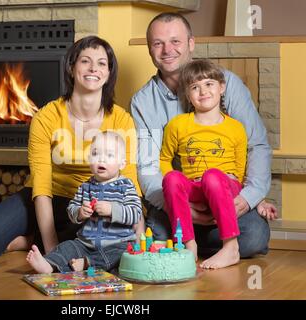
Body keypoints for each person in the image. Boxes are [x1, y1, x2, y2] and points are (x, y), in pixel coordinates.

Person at [0, 35, 142, 258]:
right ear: (71, 67)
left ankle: (29, 240)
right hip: (45, 196)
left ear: (109, 74)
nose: (93, 68)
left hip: (94, 201)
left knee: (95, 249)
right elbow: (41, 186)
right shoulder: (46, 116)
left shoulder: (121, 119)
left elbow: (130, 182)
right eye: (85, 61)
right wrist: (51, 251)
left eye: (101, 63)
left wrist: (138, 242)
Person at [130, 12, 277, 260]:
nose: (167, 50)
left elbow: (256, 146)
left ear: (191, 43)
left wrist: (247, 198)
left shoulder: (226, 83)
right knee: (157, 232)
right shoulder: (143, 102)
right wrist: (179, 207)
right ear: (149, 49)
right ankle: (198, 241)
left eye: (175, 41)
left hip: (227, 193)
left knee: (253, 237)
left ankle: (207, 242)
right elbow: (149, 166)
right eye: (158, 43)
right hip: (179, 198)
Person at [162, 59, 257, 269]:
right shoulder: (177, 125)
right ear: (188, 94)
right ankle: (188, 244)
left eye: (209, 84)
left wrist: (232, 187)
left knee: (212, 176)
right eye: (195, 87)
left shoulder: (235, 128)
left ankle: (231, 247)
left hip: (224, 185)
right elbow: (164, 160)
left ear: (221, 87)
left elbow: (240, 168)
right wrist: (179, 195)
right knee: (171, 178)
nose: (202, 91)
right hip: (195, 187)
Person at [26, 131, 142, 273]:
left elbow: (136, 213)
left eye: (109, 155)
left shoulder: (126, 186)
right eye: (95, 154)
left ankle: (88, 263)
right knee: (67, 246)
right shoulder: (85, 187)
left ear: (122, 163)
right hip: (86, 243)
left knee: (123, 254)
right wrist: (80, 212)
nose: (101, 159)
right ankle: (49, 265)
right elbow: (71, 210)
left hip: (117, 243)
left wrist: (113, 210)